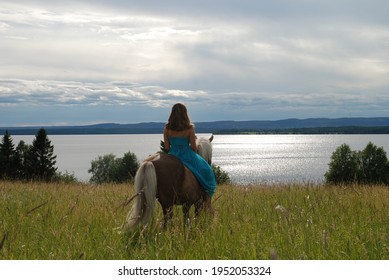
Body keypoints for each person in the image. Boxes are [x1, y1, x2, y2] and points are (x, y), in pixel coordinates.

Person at [163, 103, 216, 210]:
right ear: (185, 114)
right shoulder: (190, 128)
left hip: (173, 155)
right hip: (187, 155)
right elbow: (193, 148)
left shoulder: (167, 128)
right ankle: (207, 201)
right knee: (208, 172)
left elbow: (167, 148)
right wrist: (194, 140)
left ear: (172, 114)